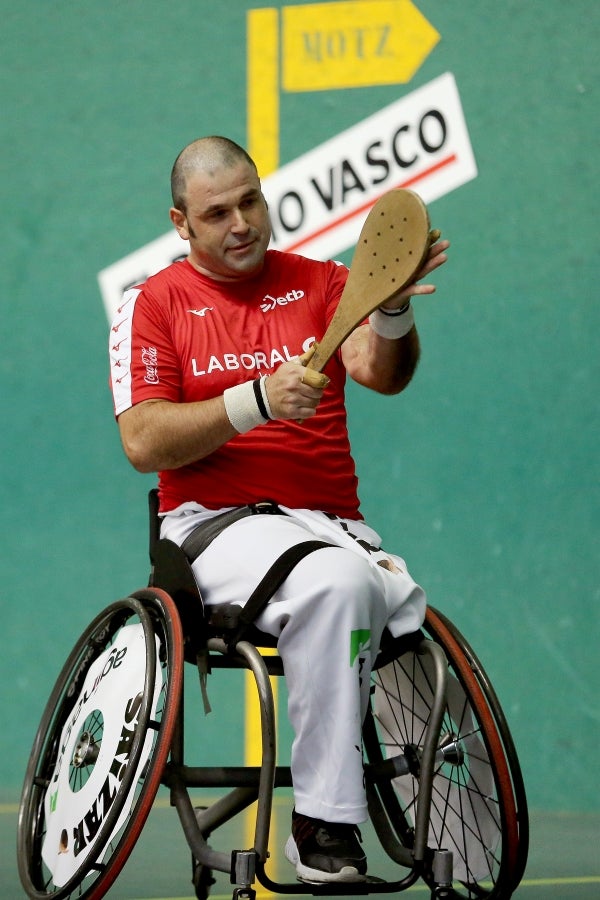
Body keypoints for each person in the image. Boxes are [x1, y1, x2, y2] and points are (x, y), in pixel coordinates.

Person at [109, 136, 449, 884]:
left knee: (371, 589)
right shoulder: (153, 304)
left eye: (251, 202)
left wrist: (392, 311)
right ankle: (324, 824)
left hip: (331, 527)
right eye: (217, 213)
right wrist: (255, 401)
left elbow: (380, 371)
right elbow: (142, 440)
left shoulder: (322, 283)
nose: (241, 224)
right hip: (212, 529)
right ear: (181, 223)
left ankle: (429, 817)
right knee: (338, 583)